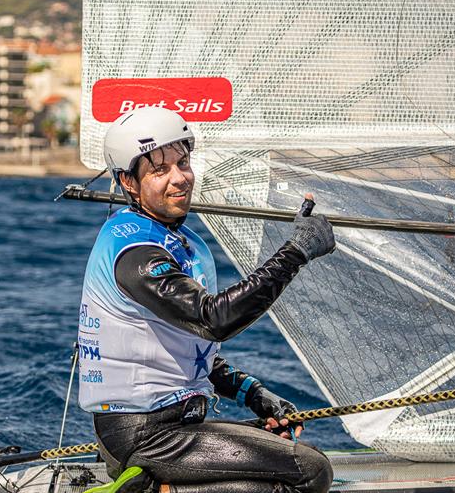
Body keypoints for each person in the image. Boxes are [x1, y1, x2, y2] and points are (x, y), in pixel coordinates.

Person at [79, 106, 336, 493]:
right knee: (310, 472)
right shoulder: (134, 252)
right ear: (129, 182)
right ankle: (152, 490)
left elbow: (193, 348)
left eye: (183, 163)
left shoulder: (183, 244)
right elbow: (214, 319)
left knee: (290, 448)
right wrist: (296, 252)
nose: (180, 178)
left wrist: (253, 393)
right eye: (160, 170)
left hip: (177, 424)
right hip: (143, 433)